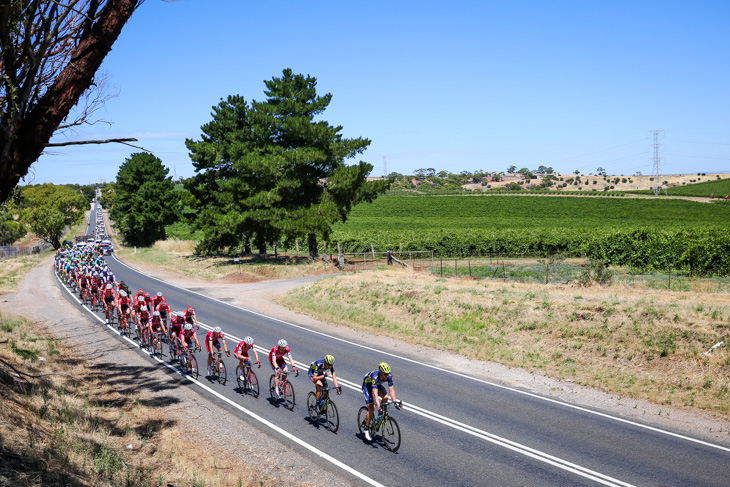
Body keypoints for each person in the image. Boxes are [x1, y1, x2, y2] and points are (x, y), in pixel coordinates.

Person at [361, 362, 401, 441]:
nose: (387, 376)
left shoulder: (389, 376)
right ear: (381, 373)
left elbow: (391, 390)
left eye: (388, 374)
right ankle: (366, 428)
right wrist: (378, 406)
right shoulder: (375, 377)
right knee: (372, 407)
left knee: (385, 397)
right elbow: (375, 394)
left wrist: (395, 403)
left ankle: (380, 415)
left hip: (377, 385)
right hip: (367, 386)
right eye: (385, 374)